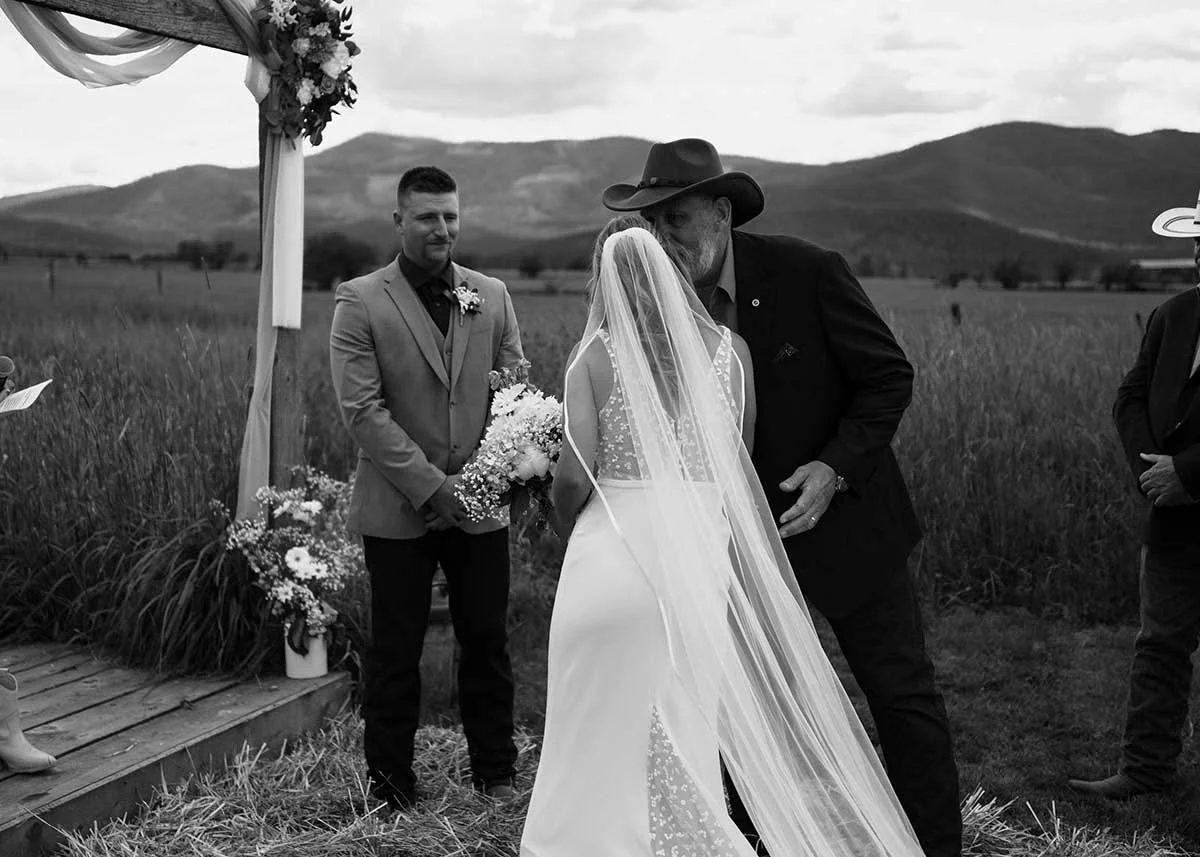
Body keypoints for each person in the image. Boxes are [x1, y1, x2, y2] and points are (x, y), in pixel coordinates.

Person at [601, 138, 961, 857]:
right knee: (742, 707)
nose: (663, 237)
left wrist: (832, 468)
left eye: (675, 218)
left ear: (722, 212)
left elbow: (889, 376)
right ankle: (754, 844)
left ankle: (937, 848)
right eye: (652, 221)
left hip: (848, 526)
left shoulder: (808, 272)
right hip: (726, 547)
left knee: (900, 695)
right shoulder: (653, 301)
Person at [521, 223, 927, 857]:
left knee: (592, 714)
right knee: (685, 710)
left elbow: (575, 473)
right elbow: (736, 455)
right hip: (700, 558)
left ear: (603, 280)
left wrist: (561, 520)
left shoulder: (594, 355)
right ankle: (681, 835)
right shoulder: (730, 352)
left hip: (612, 556)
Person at [329, 165, 524, 809]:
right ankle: (389, 787)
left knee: (487, 644)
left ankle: (495, 774)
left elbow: (514, 396)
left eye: (451, 216)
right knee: (395, 651)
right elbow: (363, 411)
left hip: (481, 505)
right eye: (427, 217)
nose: (442, 229)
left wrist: (480, 481)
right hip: (398, 508)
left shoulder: (491, 294)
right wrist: (434, 488)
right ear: (398, 221)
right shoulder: (360, 300)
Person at [1068, 192, 1200, 801]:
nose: (1199, 251)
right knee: (1160, 644)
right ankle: (1146, 771)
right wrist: (1155, 472)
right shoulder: (1174, 315)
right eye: (1198, 239)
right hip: (1171, 518)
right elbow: (1130, 397)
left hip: (1188, 490)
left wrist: (1189, 474)